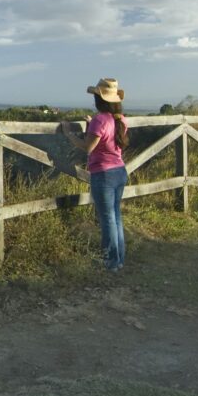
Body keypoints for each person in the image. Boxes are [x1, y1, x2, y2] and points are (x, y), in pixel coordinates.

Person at [58, 78, 129, 272]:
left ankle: (110, 262)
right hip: (120, 171)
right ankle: (119, 259)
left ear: (99, 100)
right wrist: (91, 126)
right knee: (116, 216)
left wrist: (69, 134)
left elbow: (88, 147)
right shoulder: (120, 119)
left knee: (107, 219)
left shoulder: (100, 120)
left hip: (104, 174)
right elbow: (107, 138)